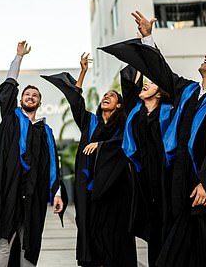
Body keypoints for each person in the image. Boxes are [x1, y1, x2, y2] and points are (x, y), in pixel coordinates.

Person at [101, 11, 206, 267]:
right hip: (178, 179)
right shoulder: (189, 91)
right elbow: (162, 72)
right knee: (178, 243)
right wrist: (147, 39)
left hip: (203, 183)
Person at [42, 53, 136, 267]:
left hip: (115, 188)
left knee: (113, 229)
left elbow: (124, 145)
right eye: (105, 95)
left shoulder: (124, 126)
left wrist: (101, 146)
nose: (106, 96)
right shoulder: (90, 122)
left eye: (112, 96)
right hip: (90, 188)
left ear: (119, 105)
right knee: (89, 226)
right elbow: (76, 102)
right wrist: (83, 72)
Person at [0, 41, 66, 267]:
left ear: (39, 102)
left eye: (35, 95)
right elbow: (9, 85)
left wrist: (56, 193)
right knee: (4, 237)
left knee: (30, 241)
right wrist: (18, 58)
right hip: (9, 189)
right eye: (27, 94)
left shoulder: (45, 131)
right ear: (20, 100)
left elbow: (53, 166)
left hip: (33, 192)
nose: (30, 96)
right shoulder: (11, 118)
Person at [120, 64, 172, 267]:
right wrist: (140, 65)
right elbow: (131, 87)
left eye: (151, 84)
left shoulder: (169, 112)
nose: (146, 85)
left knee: (167, 226)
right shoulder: (136, 113)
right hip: (143, 179)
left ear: (159, 94)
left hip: (165, 176)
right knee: (152, 230)